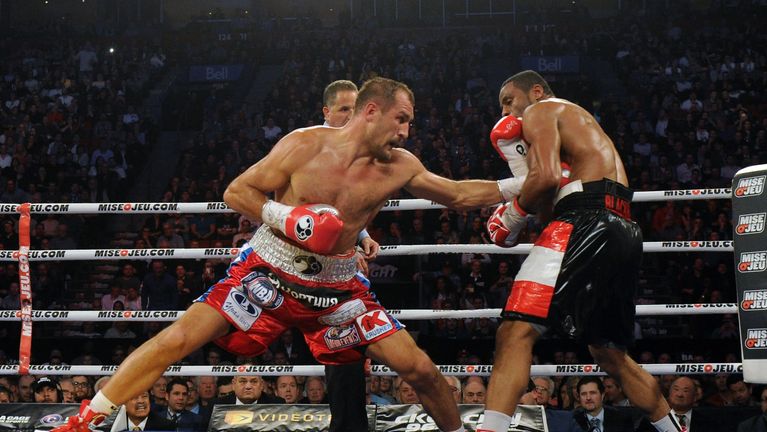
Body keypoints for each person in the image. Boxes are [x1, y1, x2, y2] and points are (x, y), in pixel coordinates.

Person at [56, 77, 523, 432]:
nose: (407, 130)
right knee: (176, 341)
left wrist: (527, 184)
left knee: (419, 368)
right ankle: (85, 420)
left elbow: (459, 194)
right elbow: (237, 190)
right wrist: (286, 217)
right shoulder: (304, 144)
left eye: (410, 122)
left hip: (340, 287)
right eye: (401, 119)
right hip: (270, 270)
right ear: (371, 111)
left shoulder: (400, 166)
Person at [478, 70, 681, 432]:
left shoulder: (542, 110)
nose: (507, 111)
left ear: (536, 91)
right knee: (610, 353)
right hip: (623, 228)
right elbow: (551, 194)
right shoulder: (578, 122)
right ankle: (673, 429)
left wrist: (512, 215)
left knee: (515, 332)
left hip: (584, 220)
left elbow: (546, 178)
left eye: (509, 100)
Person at [320, 79, 379, 432]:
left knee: (346, 345)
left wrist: (361, 237)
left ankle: (347, 425)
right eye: (343, 109)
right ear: (326, 112)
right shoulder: (308, 145)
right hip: (289, 262)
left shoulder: (356, 152)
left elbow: (345, 207)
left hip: (334, 266)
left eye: (355, 110)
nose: (350, 116)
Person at [110, 390, 175, 431]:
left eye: (144, 396)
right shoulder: (111, 426)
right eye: (135, 397)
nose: (141, 401)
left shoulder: (165, 426)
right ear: (124, 403)